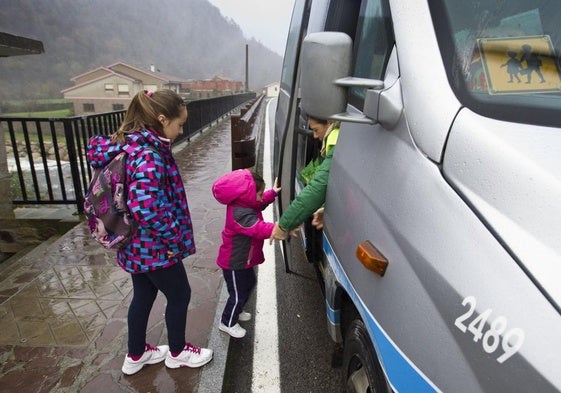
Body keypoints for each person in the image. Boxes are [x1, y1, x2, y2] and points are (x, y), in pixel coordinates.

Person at [86, 89, 213, 375]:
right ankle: (178, 352)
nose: (181, 130)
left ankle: (136, 354)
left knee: (143, 295)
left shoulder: (127, 146)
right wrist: (174, 238)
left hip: (132, 242)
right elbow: (147, 206)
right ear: (161, 118)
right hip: (153, 246)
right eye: (179, 124)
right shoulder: (149, 154)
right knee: (180, 294)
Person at [212, 169, 280, 338]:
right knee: (238, 293)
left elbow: (259, 202)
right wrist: (279, 228)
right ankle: (227, 322)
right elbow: (258, 228)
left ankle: (237, 309)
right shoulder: (239, 213)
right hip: (234, 263)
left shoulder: (244, 203)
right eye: (259, 193)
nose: (260, 197)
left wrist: (271, 194)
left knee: (249, 283)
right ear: (248, 194)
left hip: (243, 261)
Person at [270, 115, 339, 240]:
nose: (315, 136)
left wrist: (283, 225)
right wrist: (327, 209)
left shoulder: (338, 145)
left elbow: (316, 188)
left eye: (316, 130)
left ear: (329, 123)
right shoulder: (343, 137)